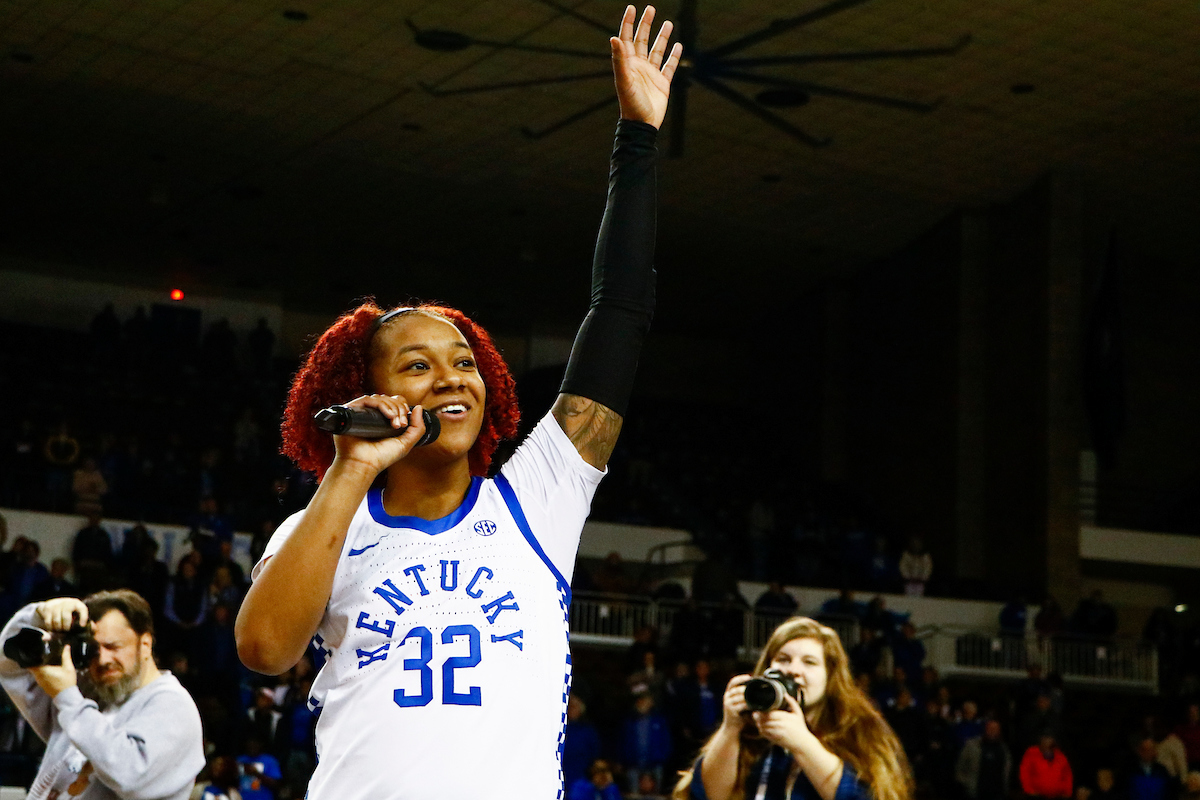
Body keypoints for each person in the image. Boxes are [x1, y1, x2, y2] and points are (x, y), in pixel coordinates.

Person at [233, 8, 683, 800]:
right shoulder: (323, 527)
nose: (451, 380)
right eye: (417, 365)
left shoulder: (542, 491)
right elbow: (265, 648)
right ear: (362, 392)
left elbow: (620, 311)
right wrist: (350, 469)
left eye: (465, 363)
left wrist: (637, 137)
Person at [673, 617, 912, 800]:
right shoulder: (750, 730)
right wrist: (730, 728)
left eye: (809, 662)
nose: (793, 670)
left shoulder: (860, 729)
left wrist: (802, 743)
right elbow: (708, 795)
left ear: (830, 676)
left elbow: (868, 795)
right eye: (783, 659)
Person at [0, 590, 204, 798]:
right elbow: (8, 664)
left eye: (113, 646)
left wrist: (68, 698)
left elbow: (130, 775)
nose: (103, 659)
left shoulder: (173, 705)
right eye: (93, 650)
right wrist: (40, 615)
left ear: (145, 644)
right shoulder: (89, 694)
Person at [955, 719, 1011, 800]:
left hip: (997, 793)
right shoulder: (971, 746)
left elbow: (1006, 770)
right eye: (990, 728)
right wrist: (966, 784)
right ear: (985, 729)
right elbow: (960, 767)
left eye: (995, 729)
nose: (992, 731)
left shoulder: (1004, 749)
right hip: (975, 793)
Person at [1019, 732, 1073, 800]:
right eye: (1045, 738)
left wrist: (1068, 791)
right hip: (1037, 796)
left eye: (1050, 738)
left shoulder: (1060, 756)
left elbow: (1067, 775)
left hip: (1058, 796)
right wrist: (1029, 790)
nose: (1047, 741)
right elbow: (1024, 772)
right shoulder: (1031, 753)